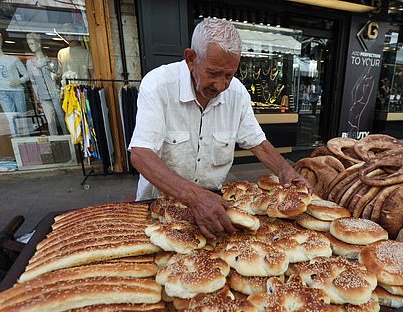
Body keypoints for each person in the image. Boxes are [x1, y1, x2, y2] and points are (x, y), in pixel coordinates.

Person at [129, 18, 310, 239]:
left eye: (229, 75)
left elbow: (257, 143)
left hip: (213, 206)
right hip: (158, 205)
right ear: (191, 59)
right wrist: (195, 197)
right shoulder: (158, 85)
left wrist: (285, 171)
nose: (221, 85)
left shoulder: (237, 93)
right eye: (213, 73)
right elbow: (140, 154)